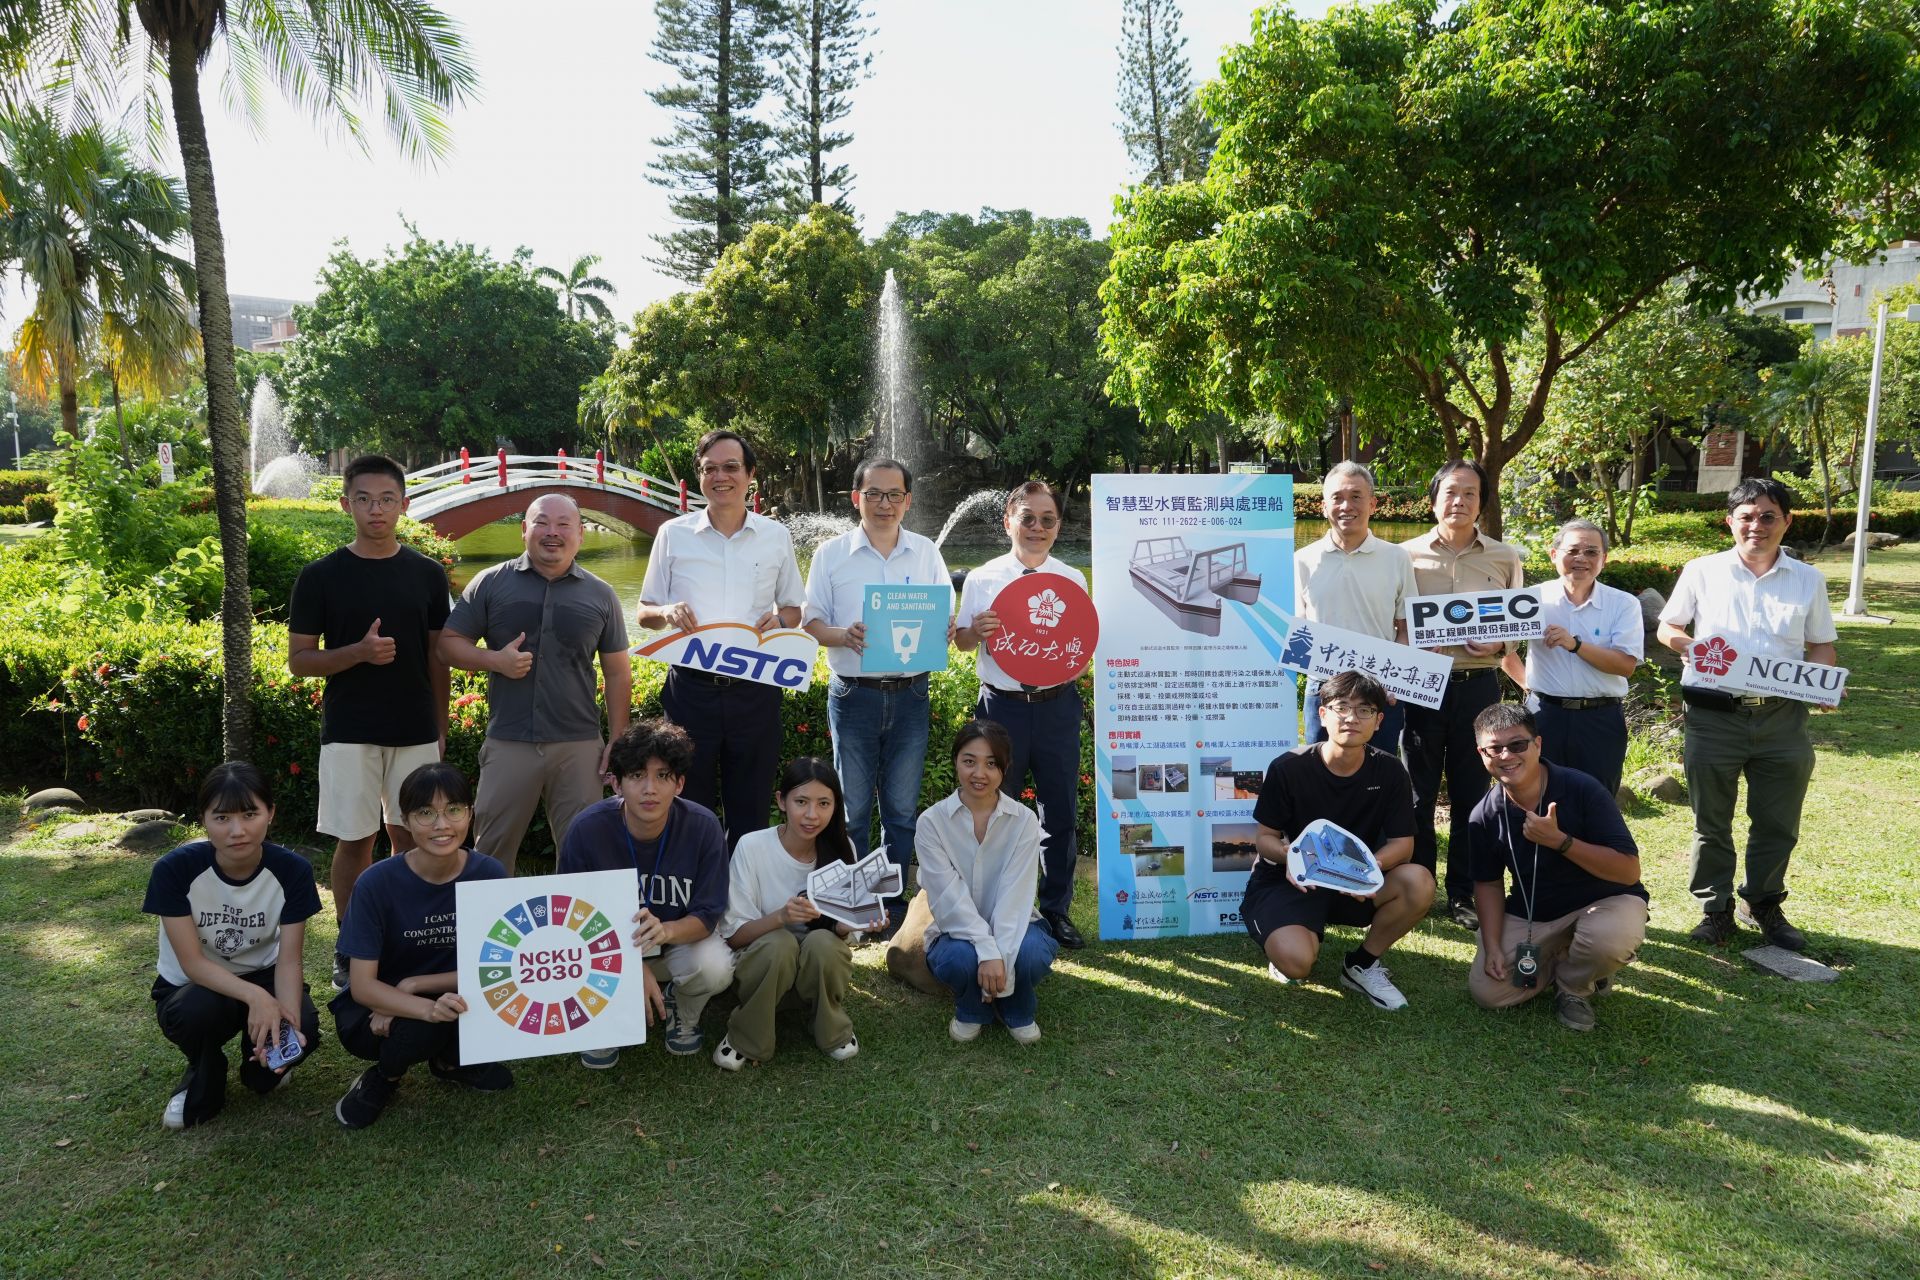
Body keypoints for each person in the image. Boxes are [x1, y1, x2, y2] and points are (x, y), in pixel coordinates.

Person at [288, 453, 450, 990]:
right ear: (346, 504)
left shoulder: (428, 574)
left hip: (414, 729)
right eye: (363, 499)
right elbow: (301, 661)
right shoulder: (320, 577)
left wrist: (440, 726)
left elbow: (437, 657)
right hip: (350, 730)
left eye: (386, 500)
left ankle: (410, 938)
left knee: (413, 837)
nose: (375, 510)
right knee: (355, 842)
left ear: (403, 505)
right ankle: (350, 944)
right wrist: (357, 652)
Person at [1655, 476, 1837, 951]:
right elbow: (1668, 626)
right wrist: (1689, 645)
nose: (1756, 525)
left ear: (1787, 522)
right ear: (1730, 522)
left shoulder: (1808, 580)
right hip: (1714, 715)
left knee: (1777, 821)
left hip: (1783, 718)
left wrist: (1822, 682)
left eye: (1768, 516)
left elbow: (1820, 643)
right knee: (1710, 821)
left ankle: (1763, 903)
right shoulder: (1702, 570)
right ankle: (1714, 910)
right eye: (1747, 516)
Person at [439, 493, 631, 873]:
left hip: (578, 744)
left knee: (585, 854)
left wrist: (618, 739)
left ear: (580, 532)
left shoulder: (601, 595)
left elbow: (617, 672)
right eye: (542, 522)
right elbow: (448, 646)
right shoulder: (490, 583)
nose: (552, 533)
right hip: (509, 740)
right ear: (525, 529)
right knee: (490, 851)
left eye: (564, 524)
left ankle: (575, 933)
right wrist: (494, 661)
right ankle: (485, 931)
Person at [637, 430, 804, 850]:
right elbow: (644, 611)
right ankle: (695, 904)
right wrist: (666, 612)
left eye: (731, 467)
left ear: (750, 475)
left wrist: (780, 619)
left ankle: (742, 906)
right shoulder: (673, 534)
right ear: (700, 476)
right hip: (691, 689)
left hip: (756, 689)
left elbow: (795, 609)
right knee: (688, 805)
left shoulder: (775, 535)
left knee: (749, 807)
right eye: (710, 468)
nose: (720, 476)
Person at [802, 456, 950, 928]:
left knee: (902, 809)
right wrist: (843, 635)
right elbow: (810, 623)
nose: (884, 504)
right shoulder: (830, 554)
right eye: (873, 494)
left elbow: (944, 614)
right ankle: (852, 902)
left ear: (907, 501)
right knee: (853, 809)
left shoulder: (926, 552)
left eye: (893, 495)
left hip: (911, 694)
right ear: (856, 499)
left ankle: (895, 903)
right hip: (855, 696)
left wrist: (944, 628)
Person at [332, 762, 513, 1129]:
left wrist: (414, 985)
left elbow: (504, 966)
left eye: (454, 811)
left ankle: (450, 1062)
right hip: (379, 1009)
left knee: (483, 1008)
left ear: (470, 814)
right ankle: (385, 1077)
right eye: (426, 813)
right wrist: (415, 1005)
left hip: (461, 991)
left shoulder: (489, 874)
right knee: (423, 1026)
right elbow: (363, 985)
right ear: (404, 819)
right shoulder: (376, 883)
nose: (442, 825)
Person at [143, 762, 323, 1130]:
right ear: (204, 819)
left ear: (270, 813)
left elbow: (289, 962)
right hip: (195, 988)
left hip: (266, 975)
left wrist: (284, 1027)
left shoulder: (293, 871)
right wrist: (257, 999)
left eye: (250, 814)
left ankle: (257, 1060)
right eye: (222, 817)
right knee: (194, 1014)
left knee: (300, 1029)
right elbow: (192, 964)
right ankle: (203, 1069)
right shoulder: (174, 870)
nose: (237, 831)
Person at [1244, 671, 1432, 1011]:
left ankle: (1361, 964)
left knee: (1418, 881)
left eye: (1364, 710)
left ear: (1378, 721)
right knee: (1296, 963)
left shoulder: (1390, 772)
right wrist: (1291, 857)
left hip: (1353, 882)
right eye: (1341, 707)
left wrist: (1363, 870)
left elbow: (1403, 845)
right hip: (1292, 880)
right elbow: (1265, 839)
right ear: (1322, 714)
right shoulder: (1289, 767)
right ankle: (1288, 939)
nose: (1351, 717)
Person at [953, 481, 1087, 949]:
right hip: (1001, 708)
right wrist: (974, 630)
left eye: (1047, 520)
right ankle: (991, 908)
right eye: (1027, 517)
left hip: (1057, 707)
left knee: (1060, 811)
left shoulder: (1072, 579)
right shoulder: (984, 577)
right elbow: (963, 643)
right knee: (992, 811)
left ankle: (1055, 910)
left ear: (1057, 527)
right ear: (1008, 521)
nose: (1037, 527)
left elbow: (1078, 649)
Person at [557, 718, 730, 1065]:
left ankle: (681, 1008)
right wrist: (629, 964)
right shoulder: (586, 830)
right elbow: (567, 919)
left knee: (715, 966)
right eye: (637, 775)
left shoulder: (703, 826)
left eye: (662, 776)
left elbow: (707, 916)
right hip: (599, 950)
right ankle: (603, 1018)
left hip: (675, 943)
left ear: (679, 784)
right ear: (616, 784)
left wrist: (665, 930)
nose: (649, 788)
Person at [1466, 703, 1648, 1033]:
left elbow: (1628, 872)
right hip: (1537, 914)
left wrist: (1560, 841)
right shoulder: (1484, 815)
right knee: (1489, 992)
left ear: (1538, 745)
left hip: (1606, 901)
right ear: (1482, 753)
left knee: (1608, 939)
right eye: (1495, 748)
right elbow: (1488, 883)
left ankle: (1573, 988)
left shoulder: (1582, 789)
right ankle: (1569, 957)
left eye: (1518, 744)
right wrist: (1492, 946)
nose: (1507, 756)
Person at [1400, 459, 1524, 931]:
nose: (1460, 501)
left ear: (1482, 502)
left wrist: (1499, 645)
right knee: (1418, 792)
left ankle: (1463, 892)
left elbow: (1516, 625)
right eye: (1451, 492)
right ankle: (1419, 885)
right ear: (1433, 500)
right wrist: (1411, 642)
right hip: (1421, 685)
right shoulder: (1404, 556)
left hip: (1479, 688)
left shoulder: (1503, 556)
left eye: (1470, 493)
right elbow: (1394, 620)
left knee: (1475, 792)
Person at [712, 758, 866, 1069]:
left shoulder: (842, 848)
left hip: (813, 975)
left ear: (836, 806)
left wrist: (846, 926)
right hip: (762, 971)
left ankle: (830, 1028)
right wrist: (780, 917)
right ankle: (747, 1036)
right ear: (781, 801)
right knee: (779, 942)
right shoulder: (752, 847)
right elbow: (733, 936)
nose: (812, 815)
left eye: (824, 803)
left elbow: (844, 936)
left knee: (825, 942)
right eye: (801, 802)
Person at [917, 720, 1060, 1044]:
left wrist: (1000, 962)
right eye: (969, 761)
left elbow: (1015, 897)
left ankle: (1016, 1006)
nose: (979, 773)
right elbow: (949, 899)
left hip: (1017, 924)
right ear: (955, 762)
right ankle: (972, 1009)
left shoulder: (1023, 821)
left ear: (1005, 767)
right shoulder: (932, 823)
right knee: (960, 959)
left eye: (991, 763)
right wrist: (986, 950)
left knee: (1032, 954)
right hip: (954, 932)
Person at [1499, 519, 1643, 798]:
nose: (1581, 559)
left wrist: (1574, 644)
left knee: (1597, 801)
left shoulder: (1623, 604)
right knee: (1537, 797)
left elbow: (1626, 666)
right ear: (1554, 555)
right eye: (1573, 551)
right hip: (1544, 715)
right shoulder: (1531, 599)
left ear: (1604, 559)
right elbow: (1504, 649)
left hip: (1600, 719)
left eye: (1591, 552)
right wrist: (1530, 686)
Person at [1295, 460, 1418, 750]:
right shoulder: (1302, 559)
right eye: (1336, 498)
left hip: (1379, 691)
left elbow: (1406, 627)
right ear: (1324, 506)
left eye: (1356, 497)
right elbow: (1298, 631)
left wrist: (1393, 681)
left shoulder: (1396, 558)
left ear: (1373, 504)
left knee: (1379, 777)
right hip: (1323, 689)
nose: (1345, 506)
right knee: (1320, 776)